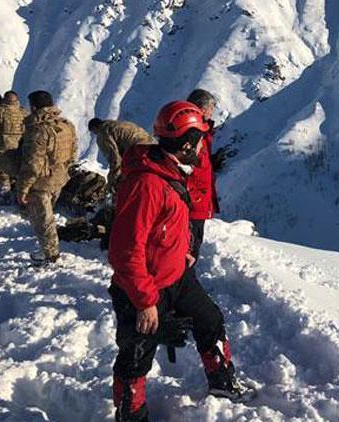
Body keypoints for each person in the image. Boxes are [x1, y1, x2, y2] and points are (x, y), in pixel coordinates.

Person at [107, 101, 253, 422]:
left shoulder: (170, 170)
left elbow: (171, 221)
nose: (203, 144)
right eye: (200, 137)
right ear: (187, 143)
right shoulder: (147, 183)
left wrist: (183, 250)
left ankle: (222, 381)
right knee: (136, 357)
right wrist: (144, 300)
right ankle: (131, 415)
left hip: (176, 275)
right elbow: (124, 249)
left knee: (210, 319)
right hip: (144, 288)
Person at [16, 91, 78, 265]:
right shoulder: (67, 125)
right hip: (60, 178)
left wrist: (23, 188)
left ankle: (51, 255)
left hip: (41, 182)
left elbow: (32, 165)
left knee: (43, 220)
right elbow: (74, 153)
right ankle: (49, 250)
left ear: (34, 107)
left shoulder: (38, 130)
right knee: (47, 216)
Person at [184, 89, 220, 262]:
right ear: (203, 109)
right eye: (212, 107)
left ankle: (181, 283)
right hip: (193, 202)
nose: (213, 111)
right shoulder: (193, 133)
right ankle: (180, 285)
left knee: (191, 247)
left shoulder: (199, 132)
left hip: (196, 201)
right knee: (188, 250)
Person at [88, 117, 155, 192]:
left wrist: (111, 181)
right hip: (153, 145)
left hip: (139, 150)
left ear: (95, 128)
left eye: (94, 132)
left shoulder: (103, 132)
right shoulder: (117, 124)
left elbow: (114, 158)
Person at [0, 91, 29, 201]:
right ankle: (18, 191)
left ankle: (5, 192)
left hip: (4, 142)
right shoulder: (24, 112)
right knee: (18, 166)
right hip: (21, 143)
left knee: (2, 168)